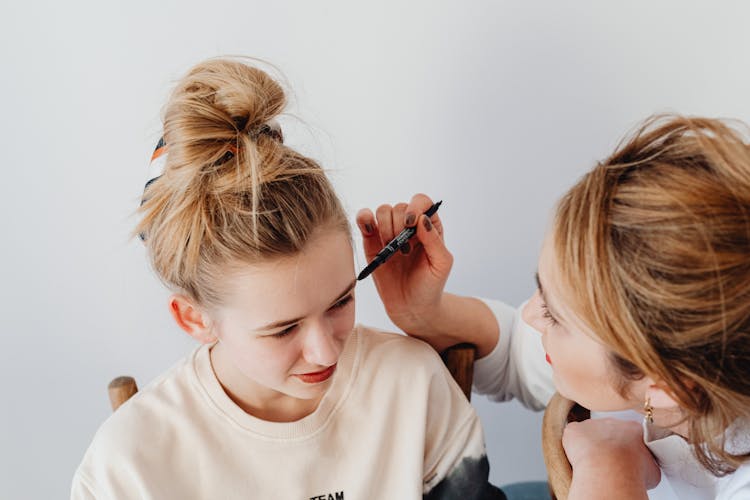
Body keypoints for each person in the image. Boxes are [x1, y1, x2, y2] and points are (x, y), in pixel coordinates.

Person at [71, 58, 505, 499]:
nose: (323, 351)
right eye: (283, 329)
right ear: (194, 319)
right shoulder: (128, 465)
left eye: (341, 302)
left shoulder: (411, 386)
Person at [356, 115, 750, 499]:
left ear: (667, 386)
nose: (530, 314)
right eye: (541, 291)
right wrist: (422, 312)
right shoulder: (653, 370)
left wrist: (609, 470)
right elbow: (516, 349)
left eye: (555, 317)